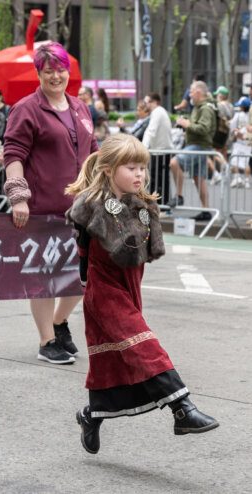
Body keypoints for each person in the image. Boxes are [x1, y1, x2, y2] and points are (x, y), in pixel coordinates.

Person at [66, 133, 219, 455]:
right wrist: (86, 292)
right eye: (131, 167)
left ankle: (90, 415)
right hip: (103, 291)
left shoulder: (144, 206)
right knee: (145, 346)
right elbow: (81, 254)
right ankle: (183, 408)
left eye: (142, 168)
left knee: (117, 364)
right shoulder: (90, 207)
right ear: (108, 169)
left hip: (130, 289)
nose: (139, 175)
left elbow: (142, 255)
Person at [4, 41, 98, 365]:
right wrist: (19, 197)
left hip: (82, 209)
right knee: (44, 276)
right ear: (39, 72)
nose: (56, 76)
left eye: (60, 70)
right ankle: (46, 341)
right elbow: (13, 155)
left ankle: (59, 323)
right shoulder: (26, 109)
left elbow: (94, 153)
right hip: (42, 209)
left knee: (83, 275)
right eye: (48, 71)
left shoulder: (80, 108)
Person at [169, 81, 216, 221]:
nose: (189, 94)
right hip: (198, 145)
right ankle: (206, 210)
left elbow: (204, 128)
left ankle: (179, 196)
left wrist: (187, 124)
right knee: (198, 178)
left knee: (174, 162)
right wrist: (186, 124)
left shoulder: (206, 108)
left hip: (199, 145)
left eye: (191, 91)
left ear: (199, 92)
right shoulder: (198, 107)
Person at [143, 93, 173, 205]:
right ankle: (162, 204)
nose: (145, 105)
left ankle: (160, 205)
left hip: (160, 151)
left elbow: (151, 131)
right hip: (162, 151)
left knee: (158, 180)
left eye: (147, 102)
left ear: (154, 102)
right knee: (161, 180)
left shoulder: (157, 112)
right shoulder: (160, 112)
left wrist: (143, 147)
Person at [229, 96, 251, 189]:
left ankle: (237, 178)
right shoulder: (250, 116)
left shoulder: (238, 115)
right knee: (246, 162)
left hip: (239, 141)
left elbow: (232, 126)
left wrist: (233, 132)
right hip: (248, 142)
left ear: (242, 107)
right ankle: (246, 181)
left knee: (234, 161)